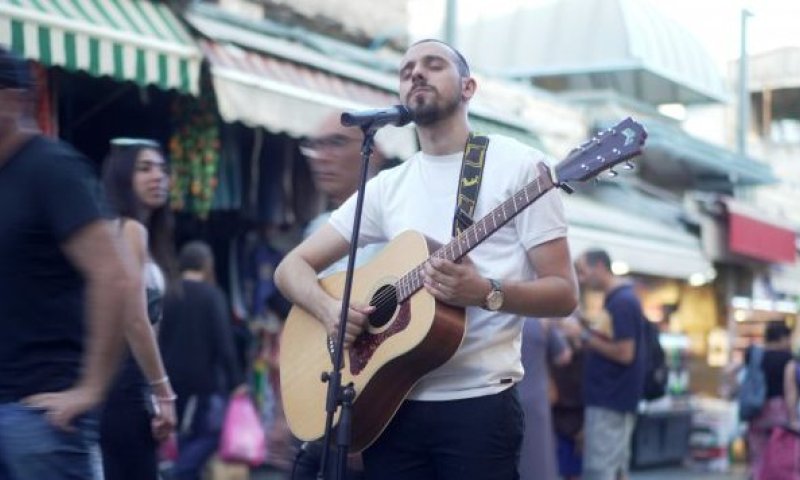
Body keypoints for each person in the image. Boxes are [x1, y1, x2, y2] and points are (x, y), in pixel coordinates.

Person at [274, 39, 578, 479]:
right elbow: (291, 268)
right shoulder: (387, 187)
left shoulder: (521, 168)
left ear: (469, 87)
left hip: (479, 407)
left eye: (433, 65)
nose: (416, 73)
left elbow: (564, 293)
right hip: (390, 405)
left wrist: (487, 292)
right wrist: (330, 311)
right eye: (406, 69)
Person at [0, 46, 130, 479]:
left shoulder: (53, 170)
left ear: (13, 99)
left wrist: (90, 388)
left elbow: (113, 276)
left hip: (41, 415)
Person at [291, 112, 388, 480]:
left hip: (372, 422)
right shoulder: (317, 230)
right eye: (315, 145)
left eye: (335, 143)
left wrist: (367, 428)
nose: (321, 156)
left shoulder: (399, 224)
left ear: (373, 152)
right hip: (320, 417)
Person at [99, 137, 178, 480]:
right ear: (122, 177)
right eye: (145, 168)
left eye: (162, 168)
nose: (158, 176)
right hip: (124, 384)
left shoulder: (129, 231)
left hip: (124, 386)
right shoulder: (128, 230)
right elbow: (136, 320)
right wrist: (165, 393)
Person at [159, 240, 243, 480]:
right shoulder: (212, 295)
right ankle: (178, 472)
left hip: (169, 378)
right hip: (203, 381)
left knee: (177, 432)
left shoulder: (169, 293)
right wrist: (236, 381)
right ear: (207, 265)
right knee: (206, 434)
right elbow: (224, 342)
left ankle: (177, 469)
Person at [565, 249, 646, 480]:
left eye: (582, 270)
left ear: (599, 266)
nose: (580, 278)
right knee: (615, 469)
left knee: (599, 469)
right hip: (613, 399)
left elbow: (624, 353)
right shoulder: (620, 300)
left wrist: (582, 336)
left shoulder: (622, 302)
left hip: (610, 400)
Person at [517, 318, 571, 480]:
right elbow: (564, 355)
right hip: (536, 395)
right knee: (539, 455)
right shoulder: (541, 319)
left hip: (505, 393)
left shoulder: (500, 315)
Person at [744, 320, 793, 477]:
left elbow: (734, 374)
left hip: (757, 411)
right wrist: (792, 418)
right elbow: (790, 389)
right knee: (780, 455)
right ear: (783, 337)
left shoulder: (756, 357)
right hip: (780, 413)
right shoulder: (788, 359)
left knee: (759, 456)